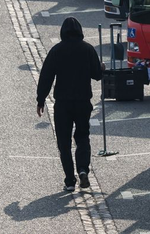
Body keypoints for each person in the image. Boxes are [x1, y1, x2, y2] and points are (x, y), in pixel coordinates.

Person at [36, 18, 103, 192]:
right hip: (83, 102)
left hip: (63, 104)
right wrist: (101, 67)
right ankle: (82, 169)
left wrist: (41, 99)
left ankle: (69, 180)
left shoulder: (57, 51)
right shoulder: (88, 49)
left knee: (64, 142)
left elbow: (46, 76)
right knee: (82, 137)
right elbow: (97, 74)